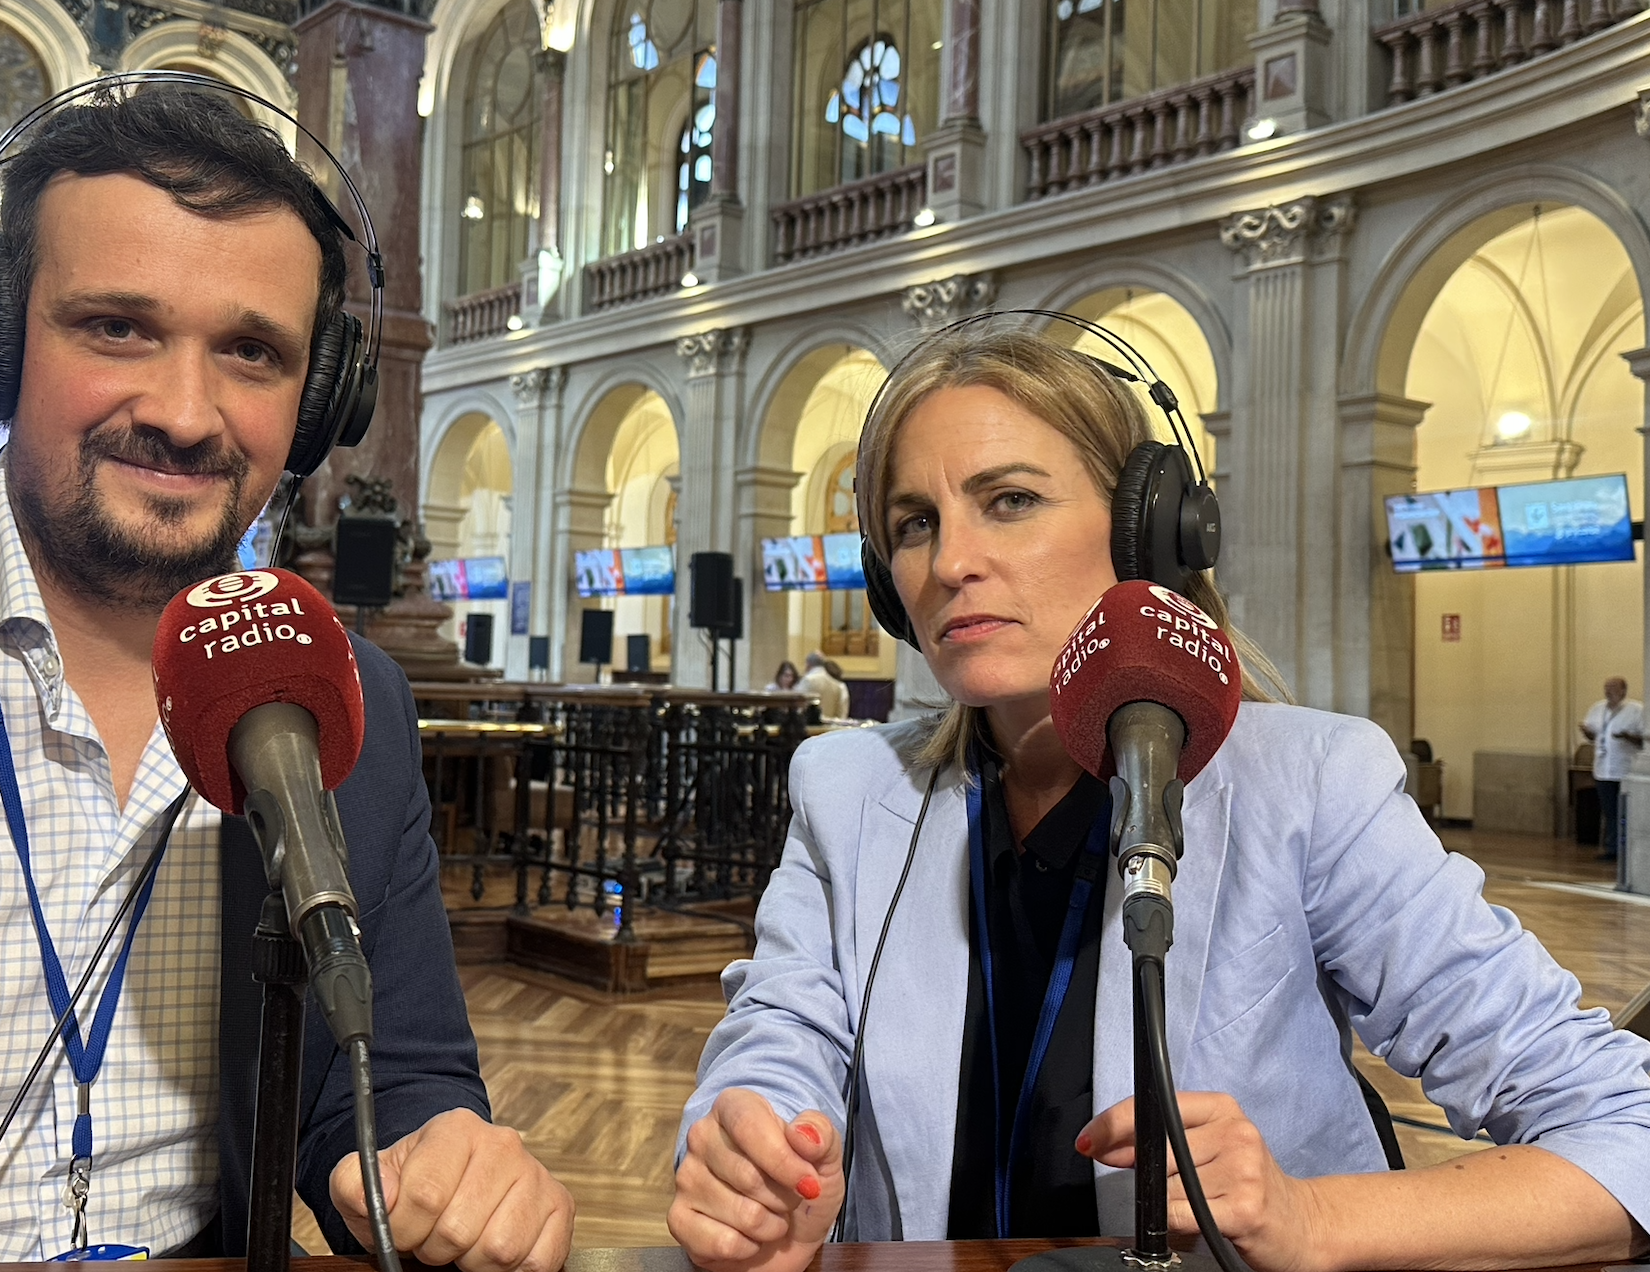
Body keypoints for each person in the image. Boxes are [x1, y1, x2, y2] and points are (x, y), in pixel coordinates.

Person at [0, 89, 572, 1271]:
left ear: (319, 396)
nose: (184, 414)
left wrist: (442, 1157)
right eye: (118, 326)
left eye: (251, 351)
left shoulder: (351, 699)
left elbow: (396, 1080)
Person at [667, 322, 1650, 1272]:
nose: (951, 561)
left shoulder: (1309, 785)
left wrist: (1311, 1216)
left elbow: (1625, 1129)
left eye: (1008, 499)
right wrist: (750, 1155)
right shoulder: (845, 788)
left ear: (1151, 532)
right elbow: (777, 1045)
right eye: (914, 522)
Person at [1579, 676, 1643, 860]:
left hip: (1625, 769)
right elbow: (1593, 736)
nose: (1608, 691)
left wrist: (1627, 736)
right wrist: (1587, 732)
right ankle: (1612, 848)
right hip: (1603, 769)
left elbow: (1643, 740)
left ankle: (1627, 849)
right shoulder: (1598, 709)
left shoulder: (1636, 710)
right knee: (1610, 811)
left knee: (1626, 811)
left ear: (1623, 690)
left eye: (1613, 687)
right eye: (1606, 687)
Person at [796, 651, 850, 720]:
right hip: (830, 727)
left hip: (811, 726)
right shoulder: (836, 684)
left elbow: (798, 707)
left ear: (808, 664)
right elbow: (840, 712)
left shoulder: (807, 681)